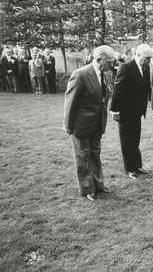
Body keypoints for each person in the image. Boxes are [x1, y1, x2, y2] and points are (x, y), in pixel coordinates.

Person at [63, 45, 115, 201]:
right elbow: (70, 101)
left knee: (95, 154)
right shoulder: (80, 75)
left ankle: (98, 185)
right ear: (99, 60)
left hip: (97, 124)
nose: (112, 65)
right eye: (109, 62)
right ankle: (87, 189)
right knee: (83, 156)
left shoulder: (104, 74)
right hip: (81, 124)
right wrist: (67, 124)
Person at [110, 44, 152, 180]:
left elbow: (145, 88)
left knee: (135, 139)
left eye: (150, 58)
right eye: (147, 58)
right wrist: (115, 110)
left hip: (137, 111)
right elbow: (118, 89)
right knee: (127, 140)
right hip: (125, 111)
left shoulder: (145, 68)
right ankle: (129, 168)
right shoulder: (126, 67)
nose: (149, 61)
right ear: (138, 54)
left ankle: (137, 166)